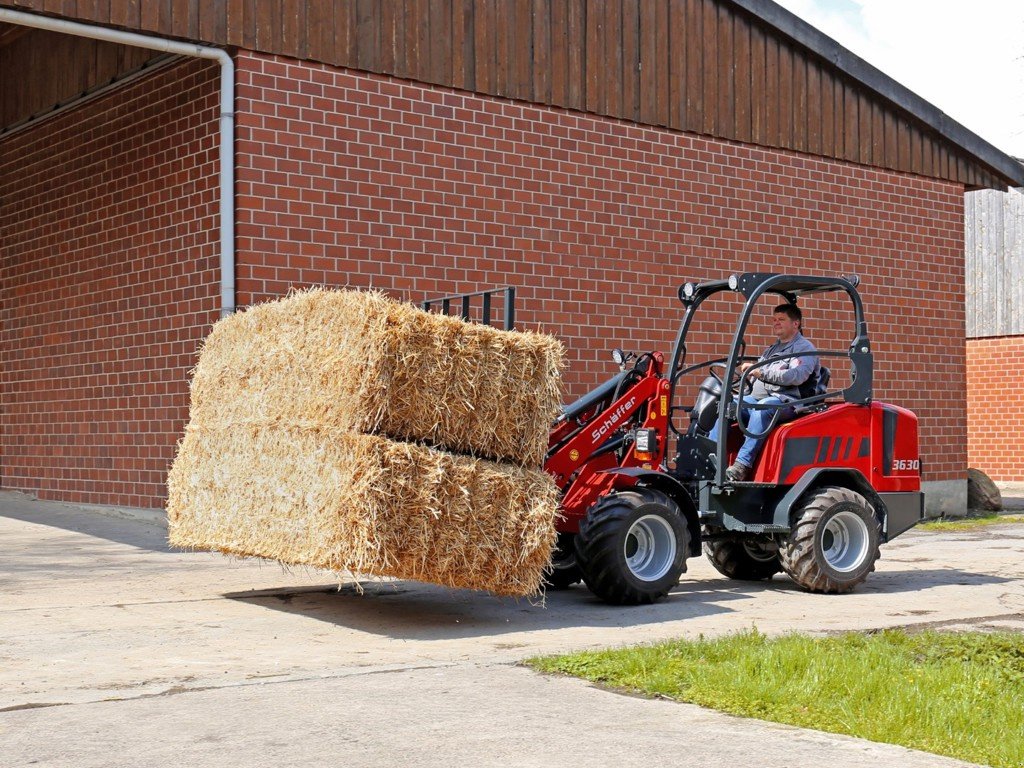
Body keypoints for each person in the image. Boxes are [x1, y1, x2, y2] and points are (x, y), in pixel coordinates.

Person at [712, 303, 819, 482]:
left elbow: (796, 376)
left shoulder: (804, 349)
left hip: (787, 401)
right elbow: (756, 378)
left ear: (796, 323)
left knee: (762, 408)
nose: (776, 323)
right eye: (774, 320)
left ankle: (742, 466)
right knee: (727, 404)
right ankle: (710, 458)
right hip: (758, 397)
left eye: (781, 319)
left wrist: (760, 372)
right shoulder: (772, 349)